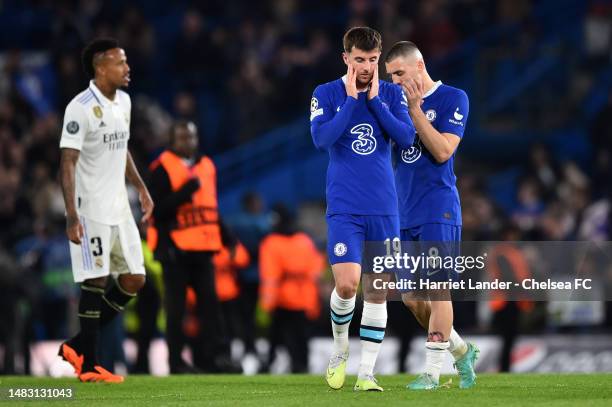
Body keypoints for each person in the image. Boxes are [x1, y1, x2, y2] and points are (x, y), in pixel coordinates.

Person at [310, 27, 415, 391]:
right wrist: (354, 101)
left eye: (372, 60)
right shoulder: (326, 93)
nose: (367, 67)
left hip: (384, 209)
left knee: (378, 290)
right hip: (345, 208)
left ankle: (366, 372)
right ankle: (340, 350)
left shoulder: (390, 93)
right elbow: (321, 139)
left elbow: (405, 138)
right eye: (360, 60)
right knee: (347, 284)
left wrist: (374, 102)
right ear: (346, 58)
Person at [58, 38, 153, 383]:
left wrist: (140, 187)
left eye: (126, 62)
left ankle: (78, 345)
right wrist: (71, 214)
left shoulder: (124, 102)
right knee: (95, 280)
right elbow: (67, 162)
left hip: (119, 206)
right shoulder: (79, 107)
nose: (127, 68)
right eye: (119, 63)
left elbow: (123, 146)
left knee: (133, 279)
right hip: (90, 208)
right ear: (100, 68)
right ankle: (89, 365)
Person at [384, 41, 479, 390]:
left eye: (398, 73)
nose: (394, 81)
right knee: (411, 298)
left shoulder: (454, 98)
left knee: (439, 290)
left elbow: (442, 151)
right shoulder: (394, 103)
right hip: (403, 211)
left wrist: (414, 110)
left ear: (419, 65)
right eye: (390, 75)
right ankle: (462, 350)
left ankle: (432, 374)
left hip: (438, 207)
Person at [147, 120, 236, 373]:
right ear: (172, 141)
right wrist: (183, 194)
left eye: (192, 137)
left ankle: (216, 358)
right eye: (183, 137)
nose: (189, 142)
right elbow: (156, 211)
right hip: (175, 251)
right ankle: (176, 362)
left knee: (211, 307)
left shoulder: (207, 165)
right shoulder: (162, 168)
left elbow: (210, 207)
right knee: (176, 311)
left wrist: (227, 236)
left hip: (203, 247)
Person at [259, 205, 324, 373]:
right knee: (301, 339)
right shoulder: (304, 241)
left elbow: (270, 277)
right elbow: (315, 272)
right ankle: (301, 366)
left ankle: (270, 365)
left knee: (277, 337)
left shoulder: (271, 243)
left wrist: (266, 306)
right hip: (304, 299)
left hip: (282, 300)